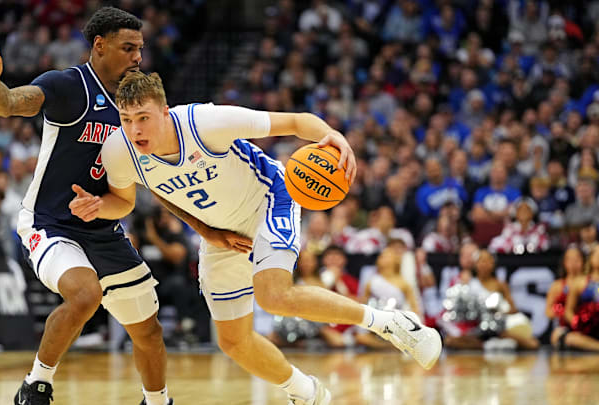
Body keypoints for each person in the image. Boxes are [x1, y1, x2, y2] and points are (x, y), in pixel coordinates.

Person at [73, 71, 442, 404]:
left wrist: (333, 136)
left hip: (269, 199)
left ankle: (392, 324)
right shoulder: (120, 152)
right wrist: (99, 208)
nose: (135, 130)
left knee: (274, 294)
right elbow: (126, 201)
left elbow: (296, 121)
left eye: (143, 118)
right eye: (126, 120)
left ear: (165, 112)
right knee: (234, 343)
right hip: (222, 233)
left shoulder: (206, 122)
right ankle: (307, 393)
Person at [0, 8, 249, 405]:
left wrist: (208, 231)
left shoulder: (136, 108)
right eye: (128, 48)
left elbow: (156, 181)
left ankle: (158, 401)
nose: (137, 58)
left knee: (148, 331)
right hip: (50, 222)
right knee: (85, 294)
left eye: (140, 49)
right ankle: (36, 385)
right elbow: (10, 103)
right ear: (99, 45)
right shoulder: (67, 86)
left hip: (103, 224)